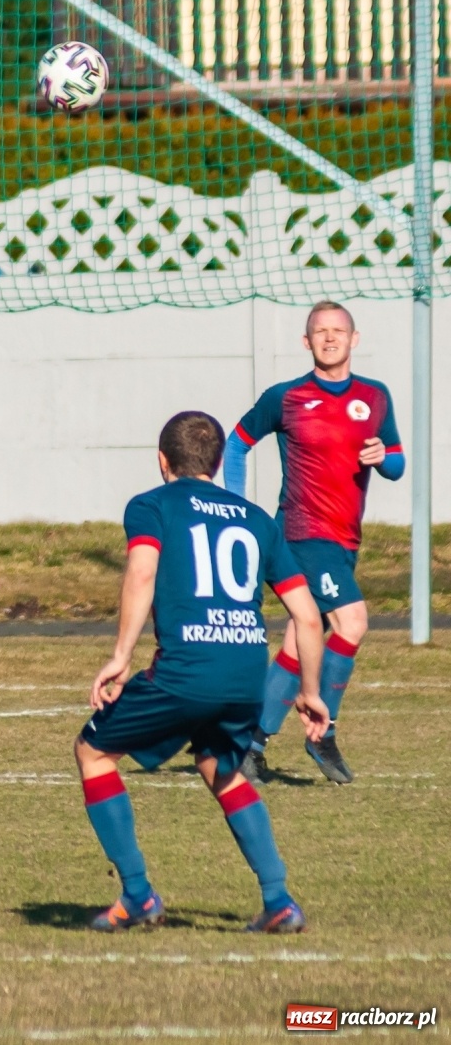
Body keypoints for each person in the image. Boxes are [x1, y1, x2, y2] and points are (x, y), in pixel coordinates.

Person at [78, 411, 327, 934]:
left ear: (162, 460)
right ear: (217, 463)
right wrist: (308, 692)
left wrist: (121, 656)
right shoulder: (257, 519)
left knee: (94, 752)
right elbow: (306, 616)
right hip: (245, 675)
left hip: (188, 668)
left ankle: (138, 895)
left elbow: (142, 571)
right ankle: (279, 900)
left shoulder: (151, 505)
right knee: (221, 767)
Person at [223, 301, 402, 785]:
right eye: (319, 331)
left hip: (345, 539)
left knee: (301, 643)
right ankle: (323, 731)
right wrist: (238, 508)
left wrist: (382, 456)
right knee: (353, 621)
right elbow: (237, 443)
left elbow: (398, 463)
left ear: (354, 338)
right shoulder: (286, 397)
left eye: (337, 330)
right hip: (302, 532)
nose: (329, 338)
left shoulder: (375, 396)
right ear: (306, 342)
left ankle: (249, 744)